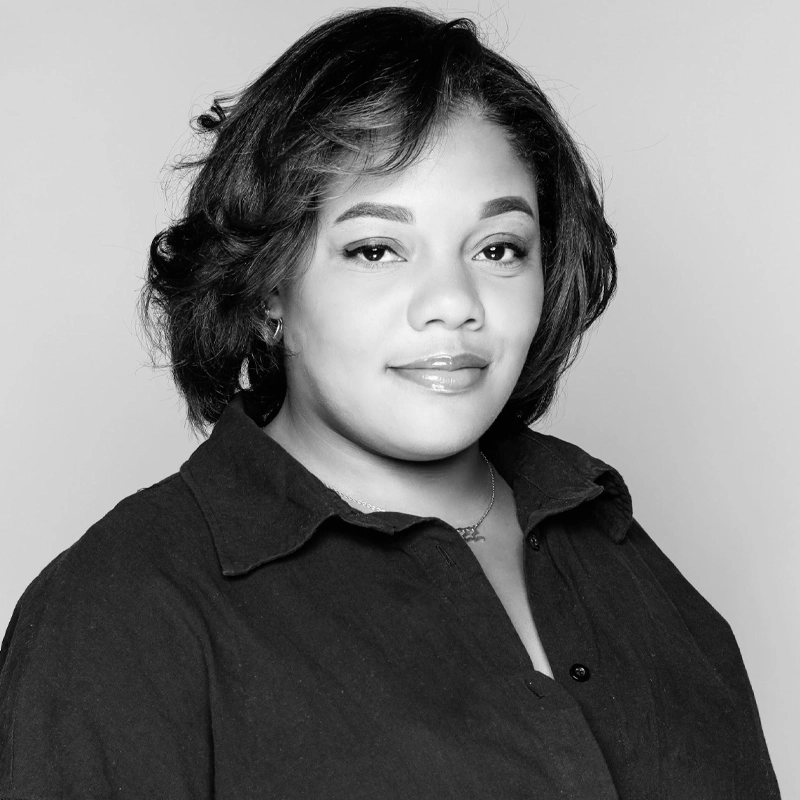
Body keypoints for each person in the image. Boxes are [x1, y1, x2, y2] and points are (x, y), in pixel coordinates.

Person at [0, 6, 780, 799]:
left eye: (498, 248)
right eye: (377, 249)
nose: (453, 302)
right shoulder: (123, 610)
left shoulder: (622, 554)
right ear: (268, 290)